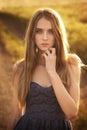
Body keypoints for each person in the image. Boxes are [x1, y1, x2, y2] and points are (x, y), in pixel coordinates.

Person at [12, 8, 81, 130]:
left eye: (50, 31)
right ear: (33, 35)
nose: (45, 37)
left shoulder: (71, 64)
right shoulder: (21, 67)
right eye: (39, 31)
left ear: (57, 34)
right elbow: (16, 115)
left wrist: (52, 72)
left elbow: (71, 112)